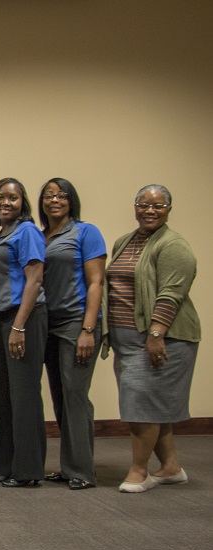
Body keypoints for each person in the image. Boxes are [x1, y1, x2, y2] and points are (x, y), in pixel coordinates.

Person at [107, 184, 200, 493]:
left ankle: (139, 470)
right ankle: (171, 468)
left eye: (158, 206)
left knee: (142, 406)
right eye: (144, 204)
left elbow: (171, 293)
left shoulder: (174, 245)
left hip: (162, 339)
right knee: (151, 405)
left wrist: (156, 333)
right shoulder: (125, 241)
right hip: (128, 341)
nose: (149, 210)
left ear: (168, 210)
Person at [38, 178, 106, 491]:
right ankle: (68, 467)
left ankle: (83, 470)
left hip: (78, 321)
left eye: (61, 195)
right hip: (48, 324)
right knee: (61, 397)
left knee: (76, 396)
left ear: (71, 200)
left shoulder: (85, 232)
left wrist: (89, 330)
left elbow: (95, 283)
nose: (55, 200)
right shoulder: (41, 236)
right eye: (49, 195)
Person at [0, 178, 48, 487]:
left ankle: (29, 470)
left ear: (23, 202)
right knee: (5, 396)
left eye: (12, 197)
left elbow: (34, 281)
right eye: (0, 197)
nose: (5, 203)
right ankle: (6, 465)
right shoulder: (0, 236)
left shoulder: (28, 232)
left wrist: (19, 326)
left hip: (26, 318)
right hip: (2, 319)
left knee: (24, 396)